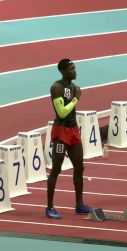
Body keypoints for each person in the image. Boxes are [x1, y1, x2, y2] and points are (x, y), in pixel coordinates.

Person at [46, 59, 92, 219]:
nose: (75, 71)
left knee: (80, 167)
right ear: (63, 71)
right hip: (61, 133)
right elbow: (62, 113)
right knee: (56, 170)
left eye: (75, 68)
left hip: (73, 131)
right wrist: (76, 99)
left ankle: (79, 204)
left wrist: (75, 96)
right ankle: (49, 207)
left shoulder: (74, 87)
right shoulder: (56, 87)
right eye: (72, 69)